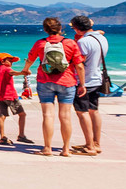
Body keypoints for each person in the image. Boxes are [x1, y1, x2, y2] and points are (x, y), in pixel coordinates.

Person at [18, 17, 86, 157]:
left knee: (48, 115)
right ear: (61, 29)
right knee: (65, 116)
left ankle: (47, 148)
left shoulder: (40, 43)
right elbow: (79, 65)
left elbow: (30, 59)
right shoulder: (70, 43)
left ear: (45, 29)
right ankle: (66, 149)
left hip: (45, 81)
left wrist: (25, 70)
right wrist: (82, 84)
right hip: (67, 82)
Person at [70, 15, 109, 155]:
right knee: (94, 111)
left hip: (84, 80)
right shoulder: (101, 38)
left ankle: (89, 146)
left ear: (78, 28)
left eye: (73, 27)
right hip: (97, 78)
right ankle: (96, 143)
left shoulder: (84, 42)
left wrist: (81, 83)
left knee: (82, 112)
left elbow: (80, 63)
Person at [0, 52, 31, 146]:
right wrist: (22, 72)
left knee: (2, 116)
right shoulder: (6, 68)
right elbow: (12, 72)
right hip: (10, 95)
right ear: (2, 61)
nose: (11, 62)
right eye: (10, 60)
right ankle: (21, 135)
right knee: (22, 114)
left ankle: (2, 137)